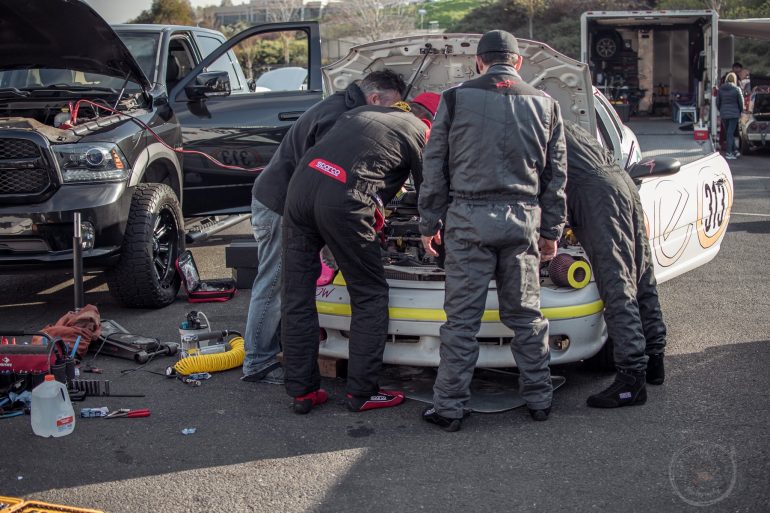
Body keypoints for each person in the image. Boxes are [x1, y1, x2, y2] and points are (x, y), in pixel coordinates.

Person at [418, 30, 568, 432]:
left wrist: (428, 222)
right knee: (527, 316)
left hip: (468, 219)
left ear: (479, 62)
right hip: (523, 220)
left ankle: (449, 409)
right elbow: (556, 177)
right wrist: (551, 229)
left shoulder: (454, 98)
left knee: (461, 321)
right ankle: (539, 399)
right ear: (517, 62)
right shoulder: (547, 104)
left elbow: (435, 166)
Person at [241, 71, 406, 384]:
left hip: (286, 201)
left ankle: (272, 350)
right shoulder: (340, 119)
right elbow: (331, 181)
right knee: (276, 283)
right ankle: (258, 363)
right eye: (391, 109)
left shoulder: (339, 107)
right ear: (374, 99)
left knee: (283, 284)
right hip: (279, 206)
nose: (390, 117)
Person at [281, 101, 432, 414]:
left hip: (299, 191)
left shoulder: (356, 113)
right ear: (428, 119)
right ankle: (362, 392)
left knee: (296, 295)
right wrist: (434, 229)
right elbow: (429, 191)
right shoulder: (419, 131)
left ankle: (302, 392)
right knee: (369, 295)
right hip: (343, 200)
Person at [562, 121, 667, 408]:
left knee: (616, 282)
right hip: (622, 184)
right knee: (641, 272)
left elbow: (548, 184)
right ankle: (654, 358)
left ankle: (631, 379)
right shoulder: (561, 119)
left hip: (597, 196)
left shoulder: (529, 121)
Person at [716, 72, 744, 160]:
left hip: (724, 114)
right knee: (730, 133)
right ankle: (729, 153)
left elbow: (717, 102)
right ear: (734, 79)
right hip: (734, 114)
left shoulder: (721, 89)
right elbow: (741, 102)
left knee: (729, 133)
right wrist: (740, 111)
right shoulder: (737, 89)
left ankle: (735, 150)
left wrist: (721, 110)